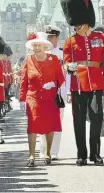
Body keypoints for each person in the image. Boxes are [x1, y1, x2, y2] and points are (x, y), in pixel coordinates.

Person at [60, 0, 104, 166]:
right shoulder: (70, 41)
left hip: (97, 83)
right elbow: (66, 62)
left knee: (97, 117)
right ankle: (81, 154)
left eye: (78, 24)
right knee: (79, 121)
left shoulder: (99, 37)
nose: (76, 27)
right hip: (78, 85)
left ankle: (95, 153)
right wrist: (69, 67)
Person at [20, 32, 65, 167]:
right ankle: (31, 155)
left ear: (45, 46)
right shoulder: (28, 60)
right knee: (32, 127)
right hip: (33, 97)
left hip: (49, 97)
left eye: (39, 45)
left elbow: (60, 78)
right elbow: (24, 80)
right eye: (35, 45)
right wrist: (22, 99)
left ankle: (48, 153)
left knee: (49, 126)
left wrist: (53, 84)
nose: (37, 48)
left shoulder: (54, 59)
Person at [39, 25, 69, 160]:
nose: (50, 40)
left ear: (57, 38)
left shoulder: (62, 55)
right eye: (48, 37)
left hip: (58, 92)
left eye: (52, 37)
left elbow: (67, 75)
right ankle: (43, 149)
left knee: (57, 123)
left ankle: (54, 151)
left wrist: (67, 91)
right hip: (43, 92)